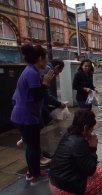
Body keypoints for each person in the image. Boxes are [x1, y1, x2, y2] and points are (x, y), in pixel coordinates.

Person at [10, 44, 54, 186]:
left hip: (25, 116)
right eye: (46, 58)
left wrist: (44, 84)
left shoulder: (30, 71)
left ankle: (33, 171)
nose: (47, 61)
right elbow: (36, 96)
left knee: (32, 146)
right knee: (33, 147)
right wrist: (46, 84)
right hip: (26, 116)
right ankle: (34, 175)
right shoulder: (32, 73)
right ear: (40, 58)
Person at [49, 110, 102, 195]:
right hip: (64, 189)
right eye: (91, 130)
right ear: (85, 128)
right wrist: (93, 148)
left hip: (54, 181)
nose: (91, 133)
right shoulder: (79, 143)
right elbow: (90, 170)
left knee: (95, 165)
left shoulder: (69, 134)